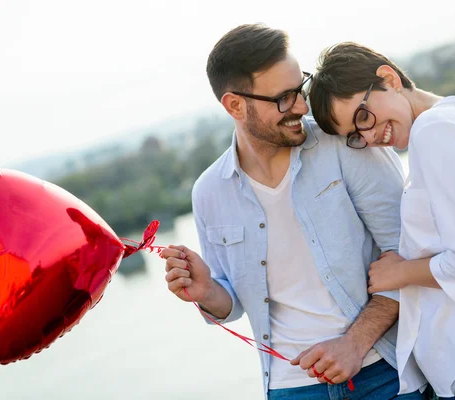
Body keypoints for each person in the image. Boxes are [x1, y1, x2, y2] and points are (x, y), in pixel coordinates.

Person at [161, 24, 426, 399]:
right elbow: (231, 304)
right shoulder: (209, 193)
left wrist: (353, 344)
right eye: (284, 98)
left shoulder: (347, 145)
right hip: (290, 390)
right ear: (235, 105)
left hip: (383, 373)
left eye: (298, 89)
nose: (302, 106)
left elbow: (410, 255)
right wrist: (206, 291)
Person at [308, 41, 455, 400]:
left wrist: (399, 273)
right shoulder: (452, 120)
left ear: (388, 78)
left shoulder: (435, 131)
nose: (369, 137)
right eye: (355, 136)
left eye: (363, 117)